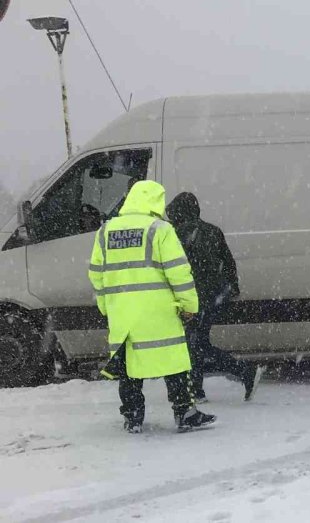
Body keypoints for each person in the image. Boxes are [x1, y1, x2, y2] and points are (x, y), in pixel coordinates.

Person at [88, 180, 216, 433]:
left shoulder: (106, 231)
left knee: (129, 365)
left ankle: (133, 416)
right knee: (174, 361)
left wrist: (107, 306)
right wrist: (189, 305)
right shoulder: (160, 230)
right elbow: (179, 272)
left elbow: (96, 274)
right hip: (159, 313)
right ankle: (184, 412)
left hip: (123, 314)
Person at [166, 192, 263, 402]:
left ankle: (238, 373)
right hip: (214, 297)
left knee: (193, 344)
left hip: (192, 298)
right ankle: (206, 386)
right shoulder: (212, 231)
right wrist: (231, 289)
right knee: (196, 343)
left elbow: (174, 269)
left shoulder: (176, 235)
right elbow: (228, 262)